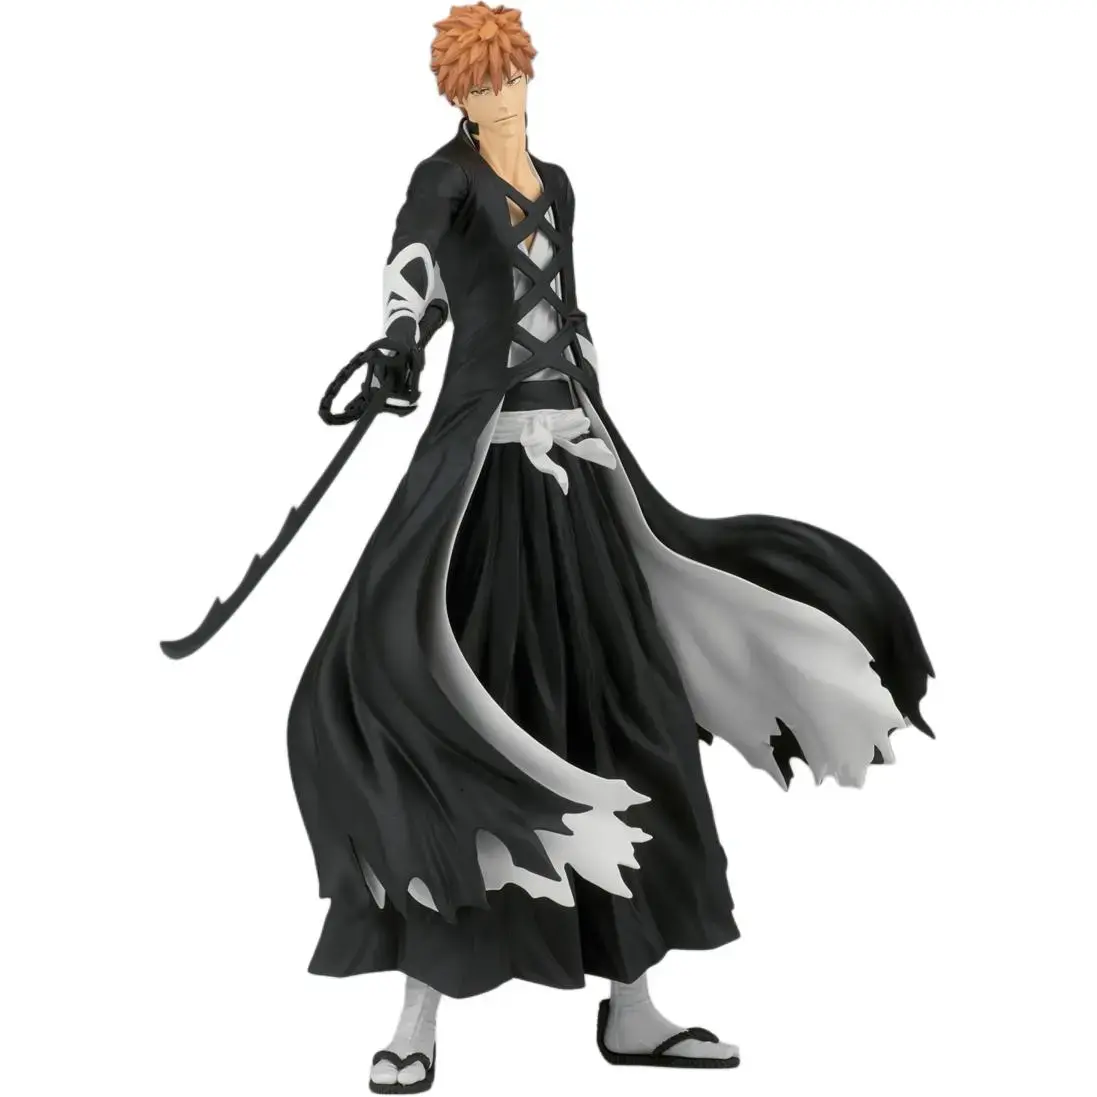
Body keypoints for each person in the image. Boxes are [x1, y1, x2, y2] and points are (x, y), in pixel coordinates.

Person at [286, 4, 934, 1092]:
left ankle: (632, 1006)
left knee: (632, 712)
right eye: (479, 84)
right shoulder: (444, 180)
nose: (499, 96)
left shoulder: (560, 184)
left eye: (508, 77)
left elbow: (565, 315)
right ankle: (415, 1015)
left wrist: (588, 407)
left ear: (527, 77)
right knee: (462, 716)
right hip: (485, 481)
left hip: (581, 473)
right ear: (456, 96)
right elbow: (414, 268)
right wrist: (398, 343)